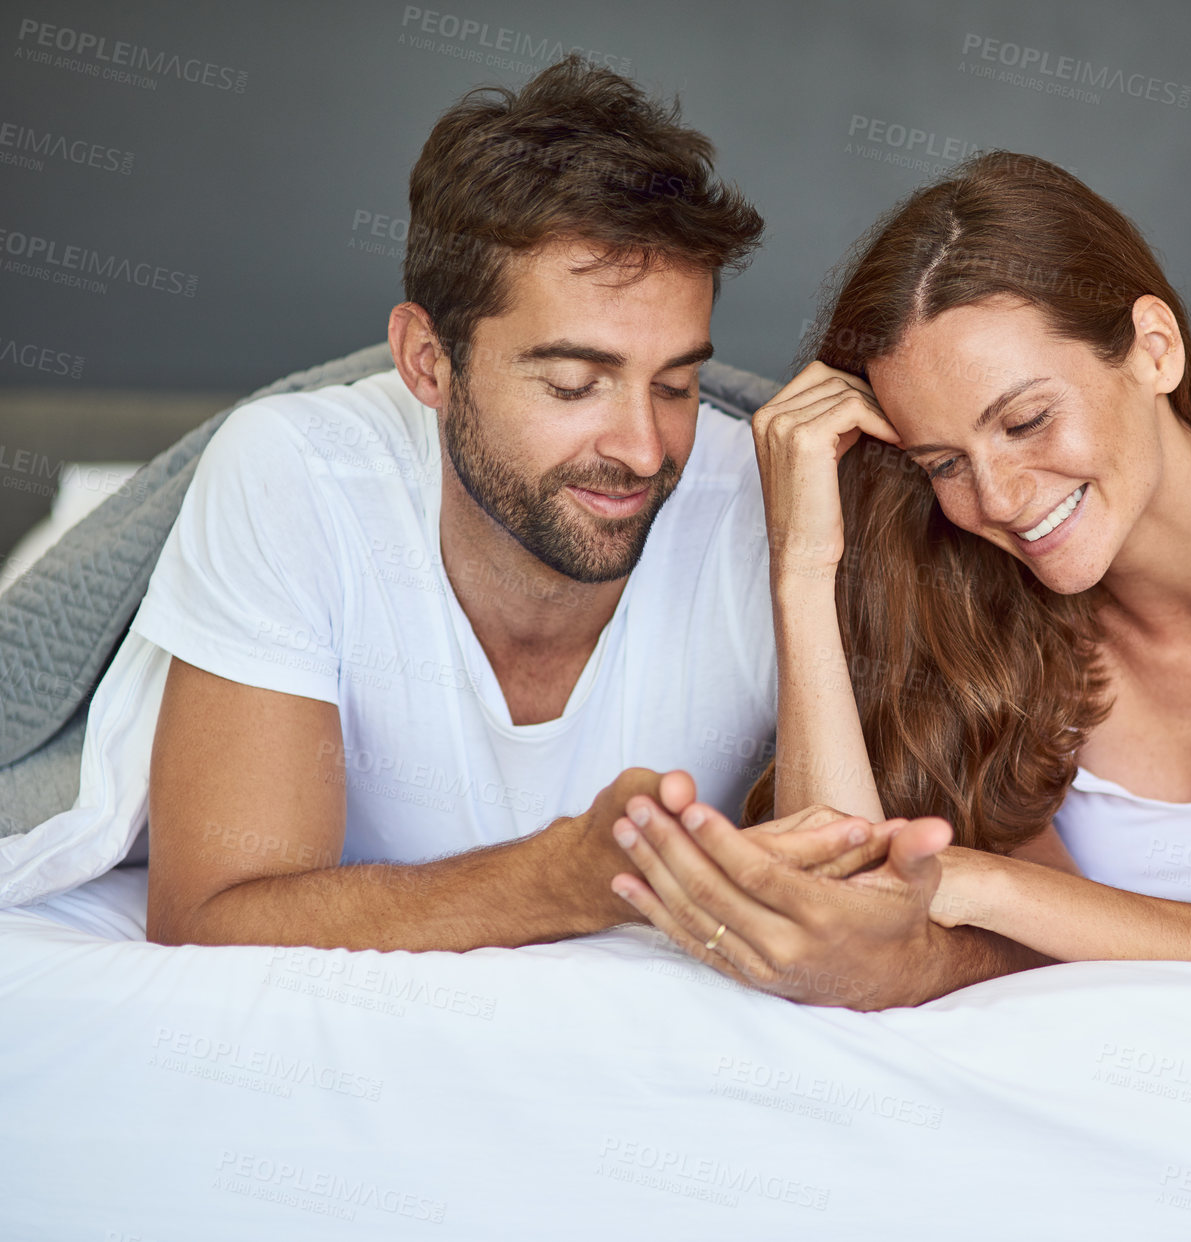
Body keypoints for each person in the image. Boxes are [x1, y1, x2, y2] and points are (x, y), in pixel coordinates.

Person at [609, 151, 1191, 999]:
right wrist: (802, 567)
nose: (997, 499)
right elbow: (838, 915)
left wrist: (977, 885)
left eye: (1026, 421)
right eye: (944, 461)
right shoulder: (974, 599)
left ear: (1154, 350)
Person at [109, 55, 904, 952]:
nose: (643, 450)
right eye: (573, 385)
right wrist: (567, 877)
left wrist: (802, 569)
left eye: (678, 385)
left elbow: (847, 925)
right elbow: (209, 916)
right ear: (426, 362)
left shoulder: (769, 496)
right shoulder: (297, 473)